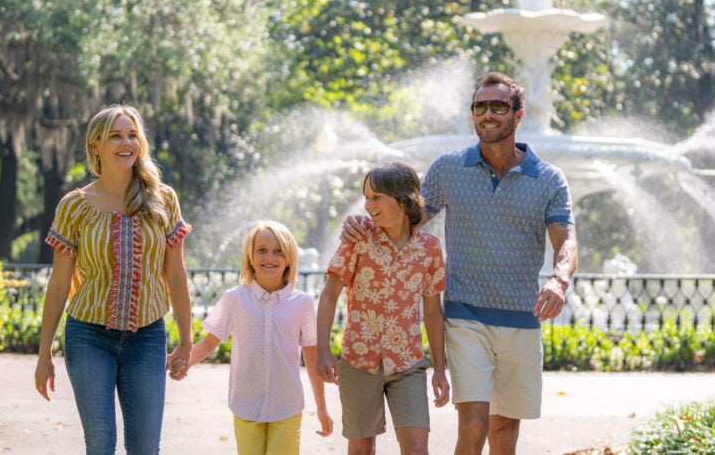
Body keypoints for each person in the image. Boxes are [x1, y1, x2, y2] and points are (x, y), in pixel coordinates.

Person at [342, 72, 578, 455]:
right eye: (479, 106)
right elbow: (403, 221)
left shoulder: (549, 178)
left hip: (522, 317)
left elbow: (565, 237)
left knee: (504, 432)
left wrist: (558, 280)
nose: (488, 113)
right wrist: (362, 222)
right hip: (465, 314)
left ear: (518, 115)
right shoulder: (449, 169)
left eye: (498, 106)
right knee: (473, 424)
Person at [34, 104, 194, 455]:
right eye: (116, 136)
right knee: (101, 444)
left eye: (132, 135)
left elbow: (176, 276)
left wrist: (186, 340)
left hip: (147, 338)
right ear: (96, 146)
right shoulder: (74, 206)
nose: (127, 143)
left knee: (144, 447)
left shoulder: (163, 199)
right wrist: (44, 353)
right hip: (88, 336)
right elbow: (59, 284)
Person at [318, 162, 449, 455]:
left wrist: (440, 369)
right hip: (359, 361)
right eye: (366, 197)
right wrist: (324, 351)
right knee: (362, 448)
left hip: (408, 363)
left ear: (403, 199)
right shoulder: (358, 239)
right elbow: (329, 296)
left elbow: (432, 312)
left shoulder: (428, 248)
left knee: (417, 448)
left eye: (377, 197)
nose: (368, 205)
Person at [170, 220, 332, 454]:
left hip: (286, 406)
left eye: (278, 251)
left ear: (289, 258)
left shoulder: (302, 303)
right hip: (246, 405)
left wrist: (322, 408)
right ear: (250, 257)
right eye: (262, 250)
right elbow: (209, 343)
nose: (270, 257)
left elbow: (311, 354)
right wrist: (183, 362)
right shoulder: (235, 299)